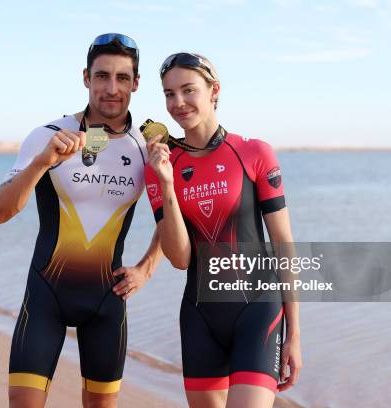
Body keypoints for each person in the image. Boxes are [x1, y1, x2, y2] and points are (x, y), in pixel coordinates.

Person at [0, 33, 162, 408]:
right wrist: (41, 163)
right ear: (86, 77)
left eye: (122, 78)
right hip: (46, 294)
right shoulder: (48, 135)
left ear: (136, 83)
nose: (111, 88)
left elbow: (176, 216)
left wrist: (146, 268)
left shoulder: (147, 145)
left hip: (107, 299)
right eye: (101, 76)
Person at [145, 53, 302, 408]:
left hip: (258, 309)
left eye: (189, 90)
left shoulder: (254, 153)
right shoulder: (159, 166)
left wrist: (294, 334)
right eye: (169, 94)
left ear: (214, 90)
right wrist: (167, 184)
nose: (178, 102)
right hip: (200, 316)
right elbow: (181, 258)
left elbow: (283, 244)